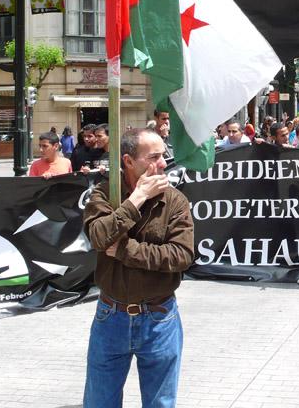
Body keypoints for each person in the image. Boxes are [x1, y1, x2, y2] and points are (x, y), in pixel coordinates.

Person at [82, 129, 194, 407]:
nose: (163, 163)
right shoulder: (106, 192)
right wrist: (136, 199)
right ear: (129, 161)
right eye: (154, 157)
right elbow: (98, 236)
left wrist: (124, 250)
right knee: (99, 401)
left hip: (159, 318)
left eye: (164, 156)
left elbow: (180, 255)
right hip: (111, 316)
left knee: (160, 403)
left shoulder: (175, 201)